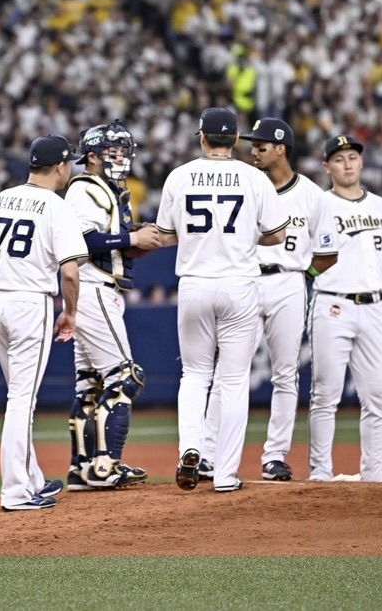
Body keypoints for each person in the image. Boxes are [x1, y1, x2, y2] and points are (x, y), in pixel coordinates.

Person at [155, 107, 290, 493]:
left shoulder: (179, 177)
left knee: (194, 375)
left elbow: (165, 236)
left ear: (202, 138)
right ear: (234, 140)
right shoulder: (254, 177)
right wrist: (246, 237)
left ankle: (191, 448)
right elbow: (277, 236)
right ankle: (226, 475)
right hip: (239, 284)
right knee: (232, 380)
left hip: (195, 282)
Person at [200, 118, 338, 482]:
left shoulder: (311, 195)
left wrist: (302, 278)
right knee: (229, 369)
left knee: (285, 373)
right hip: (244, 280)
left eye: (262, 145)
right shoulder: (245, 183)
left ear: (281, 149)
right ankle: (209, 453)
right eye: (253, 145)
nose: (254, 150)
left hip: (288, 283)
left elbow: (328, 253)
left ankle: (274, 455)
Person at [0, 134, 89, 510]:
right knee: (22, 399)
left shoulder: (1, 198)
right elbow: (70, 273)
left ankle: (34, 478)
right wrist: (70, 312)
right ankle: (16, 491)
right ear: (60, 167)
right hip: (28, 303)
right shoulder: (57, 206)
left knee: (17, 395)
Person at [63, 119, 163, 491]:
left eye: (123, 151)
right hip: (92, 287)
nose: (121, 158)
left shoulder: (107, 189)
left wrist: (144, 240)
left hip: (97, 288)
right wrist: (131, 235)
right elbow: (84, 242)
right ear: (91, 157)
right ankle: (105, 464)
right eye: (113, 152)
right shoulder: (85, 188)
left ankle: (82, 466)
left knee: (90, 385)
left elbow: (114, 244)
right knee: (125, 376)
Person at [308, 134, 382, 483]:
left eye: (352, 156)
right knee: (326, 393)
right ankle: (320, 473)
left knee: (378, 395)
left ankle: (374, 474)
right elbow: (303, 259)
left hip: (374, 308)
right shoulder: (319, 205)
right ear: (326, 167)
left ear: (362, 162)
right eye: (339, 159)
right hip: (331, 303)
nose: (348, 163)